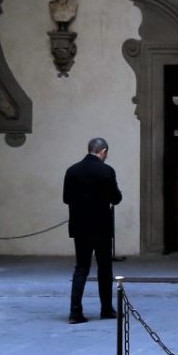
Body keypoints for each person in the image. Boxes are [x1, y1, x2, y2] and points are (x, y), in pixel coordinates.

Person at [62, 137, 123, 324]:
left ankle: (75, 312)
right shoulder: (106, 171)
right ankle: (106, 309)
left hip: (80, 227)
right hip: (101, 226)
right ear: (103, 151)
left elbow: (66, 198)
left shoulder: (72, 170)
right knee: (104, 268)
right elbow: (116, 198)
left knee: (81, 268)